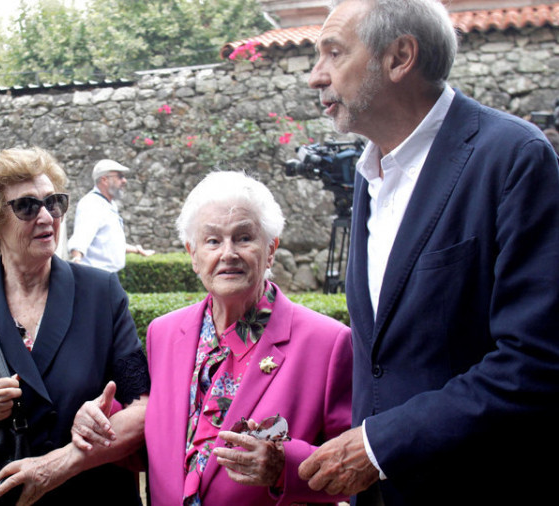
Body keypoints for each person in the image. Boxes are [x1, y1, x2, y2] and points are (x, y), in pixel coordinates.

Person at [298, 1, 559, 504]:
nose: (316, 77)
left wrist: (378, 446)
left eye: (333, 53)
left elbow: (535, 362)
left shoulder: (512, 158)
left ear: (400, 58)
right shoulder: (368, 173)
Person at [0, 147, 150, 505]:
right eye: (27, 206)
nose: (47, 217)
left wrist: (61, 463)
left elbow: (144, 407)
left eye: (54, 203)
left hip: (97, 496)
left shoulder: (101, 293)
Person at [135, 171, 352, 505]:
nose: (228, 253)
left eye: (244, 237)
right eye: (212, 241)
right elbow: (157, 432)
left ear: (271, 250)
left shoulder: (328, 343)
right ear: (193, 255)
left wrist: (284, 466)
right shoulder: (162, 333)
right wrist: (100, 422)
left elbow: (354, 471)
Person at [67, 159, 154, 272]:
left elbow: (109, 242)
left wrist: (137, 250)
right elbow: (80, 240)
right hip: (96, 277)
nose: (124, 181)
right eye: (119, 176)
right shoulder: (92, 204)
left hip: (106, 277)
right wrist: (76, 260)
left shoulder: (108, 204)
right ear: (104, 180)